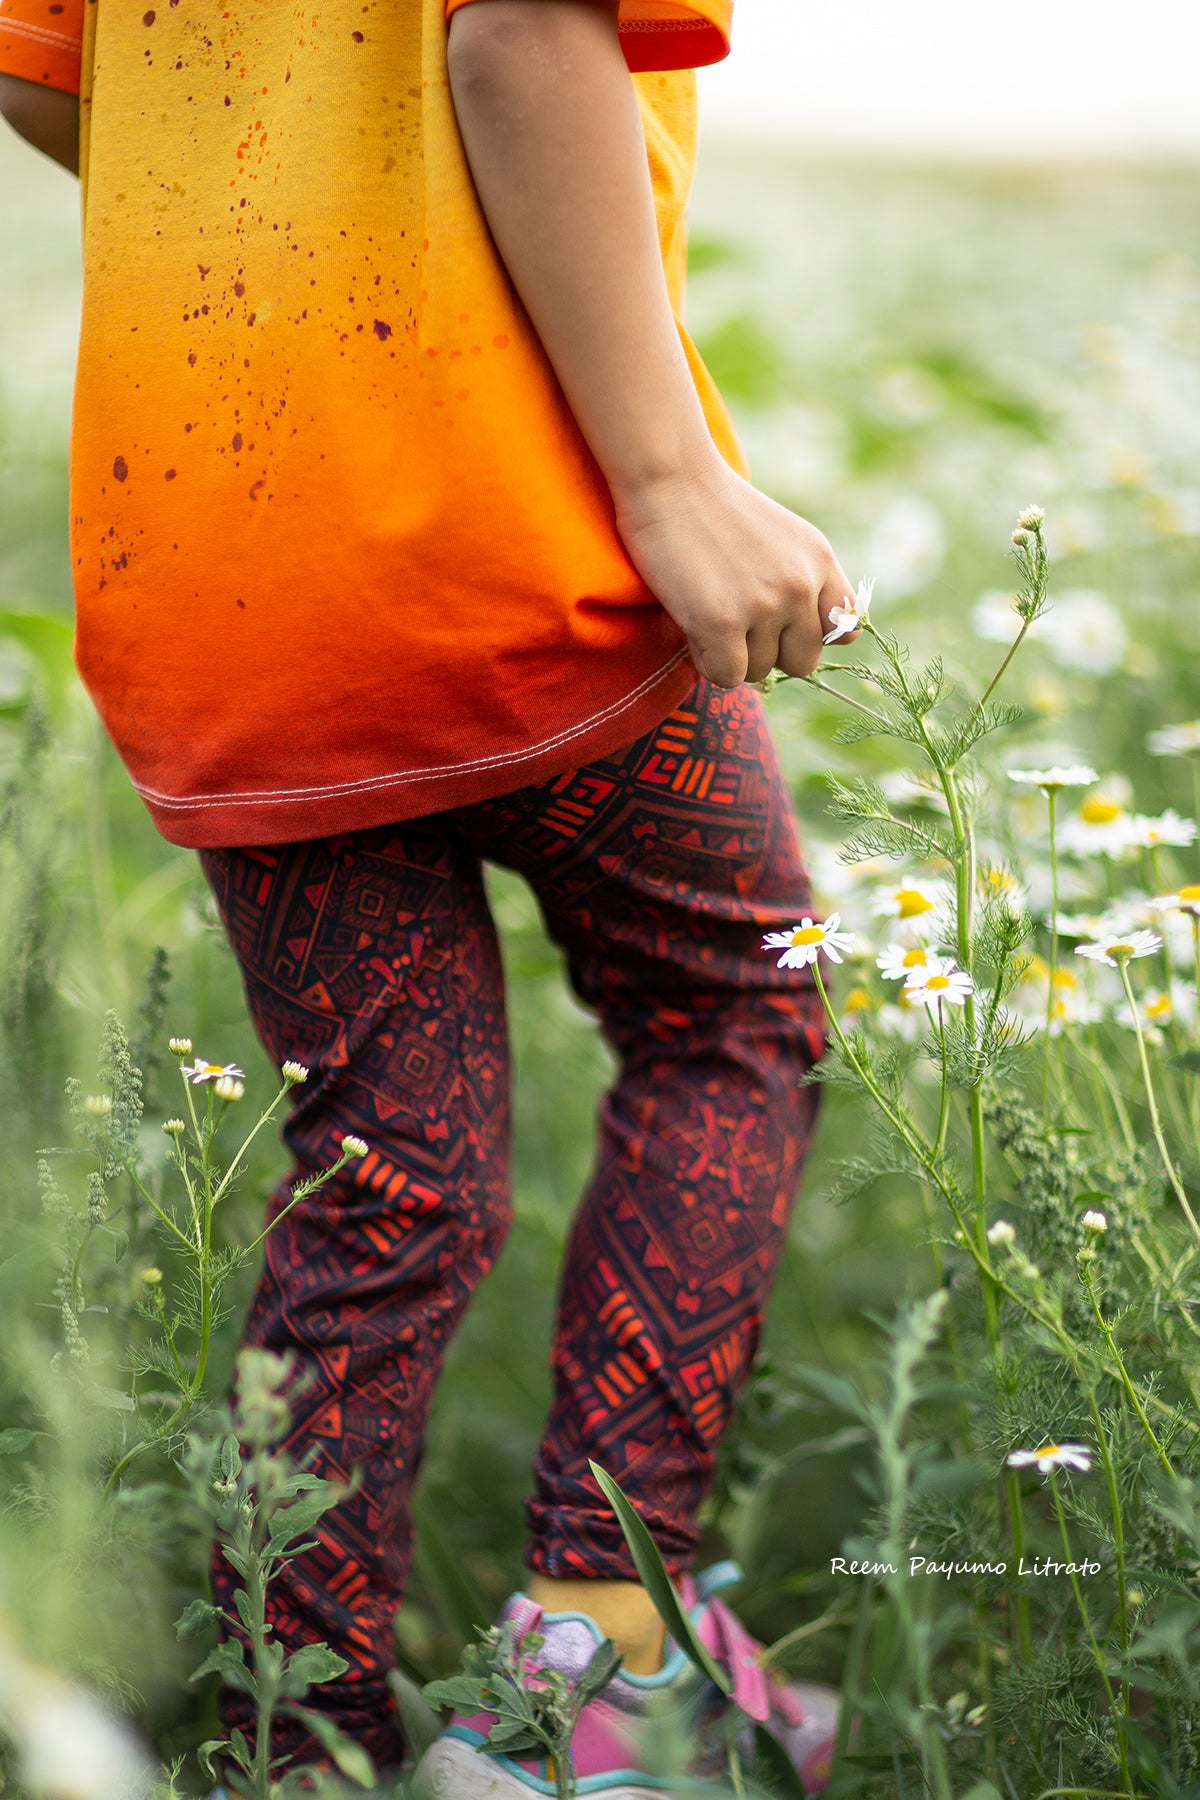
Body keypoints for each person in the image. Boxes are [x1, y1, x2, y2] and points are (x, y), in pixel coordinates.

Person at [0, 0, 859, 1791]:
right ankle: (589, 1682)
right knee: (733, 1002)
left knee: (390, 1178)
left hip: (228, 575)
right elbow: (522, 32)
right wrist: (674, 474)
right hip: (521, 562)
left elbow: (41, 79)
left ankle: (284, 1742)